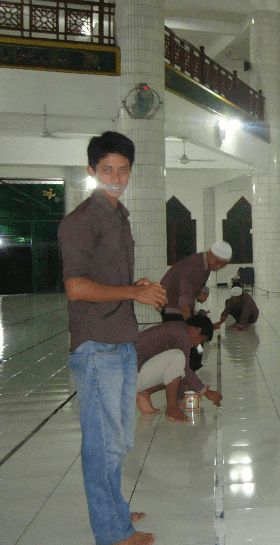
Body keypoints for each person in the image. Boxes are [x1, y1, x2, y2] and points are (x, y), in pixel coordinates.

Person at [58, 131, 167, 545]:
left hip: (120, 340)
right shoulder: (81, 222)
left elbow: (106, 279)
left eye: (123, 171)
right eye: (107, 170)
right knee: (102, 444)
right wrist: (131, 292)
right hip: (96, 345)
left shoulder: (118, 216)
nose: (116, 178)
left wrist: (133, 284)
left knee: (118, 439)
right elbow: (76, 287)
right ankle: (112, 532)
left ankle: (114, 510)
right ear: (92, 171)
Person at [135, 315, 222, 422]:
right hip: (131, 376)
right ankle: (171, 409)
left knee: (176, 365)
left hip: (133, 372)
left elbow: (177, 373)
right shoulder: (183, 335)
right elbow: (185, 369)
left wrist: (182, 398)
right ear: (197, 330)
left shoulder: (178, 328)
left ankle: (144, 393)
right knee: (178, 357)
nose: (197, 345)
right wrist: (206, 392)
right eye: (201, 340)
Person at [160, 240, 232, 322]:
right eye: (217, 262)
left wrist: (203, 291)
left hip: (175, 303)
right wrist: (190, 322)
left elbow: (197, 282)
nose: (218, 266)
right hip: (171, 305)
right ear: (210, 253)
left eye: (222, 265)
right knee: (180, 332)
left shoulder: (204, 263)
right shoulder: (194, 264)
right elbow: (185, 296)